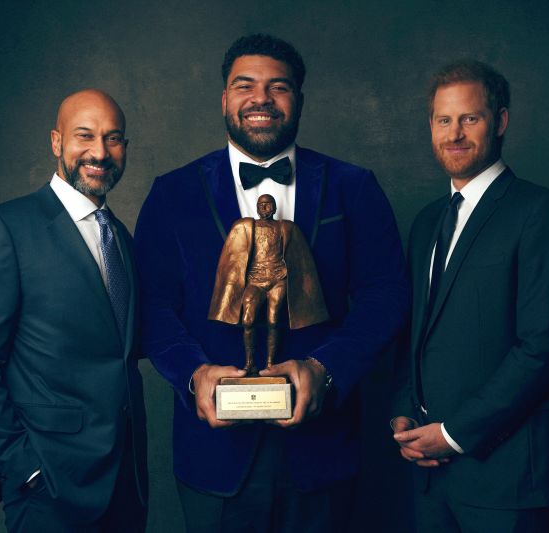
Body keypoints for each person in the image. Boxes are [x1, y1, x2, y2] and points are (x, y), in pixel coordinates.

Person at [135, 34, 408, 532]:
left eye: (277, 87)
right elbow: (151, 307)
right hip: (214, 458)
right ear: (224, 98)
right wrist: (193, 374)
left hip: (323, 454)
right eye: (245, 85)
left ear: (298, 100)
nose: (260, 98)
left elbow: (385, 296)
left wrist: (327, 370)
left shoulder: (354, 186)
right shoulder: (172, 193)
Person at [0, 89, 148, 533]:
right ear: (56, 142)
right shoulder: (4, 229)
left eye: (113, 139)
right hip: (49, 490)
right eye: (84, 136)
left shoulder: (120, 238)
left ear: (125, 149)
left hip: (125, 487)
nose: (99, 152)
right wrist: (24, 469)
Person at [391, 60, 549, 532]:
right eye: (443, 120)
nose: (454, 133)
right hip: (431, 479)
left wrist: (453, 436)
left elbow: (540, 349)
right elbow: (418, 333)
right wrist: (401, 412)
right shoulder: (426, 223)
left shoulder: (540, 212)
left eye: (469, 118)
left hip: (506, 480)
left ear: (500, 121)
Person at [208, 193, 328, 373]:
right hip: (255, 280)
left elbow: (301, 259)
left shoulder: (285, 227)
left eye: (268, 204)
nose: (265, 208)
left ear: (274, 207)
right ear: (256, 207)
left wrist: (286, 273)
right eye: (261, 205)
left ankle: (270, 364)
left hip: (277, 279)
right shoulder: (248, 226)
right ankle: (250, 362)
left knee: (273, 320)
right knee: (248, 320)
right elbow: (233, 258)